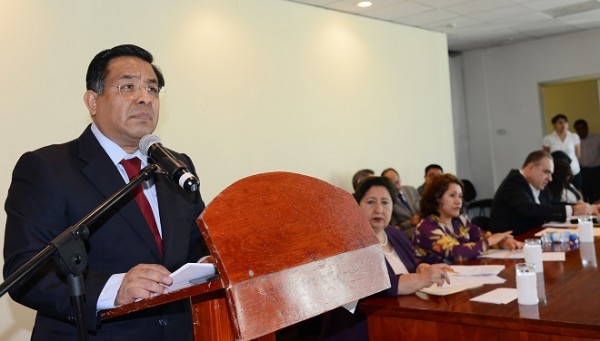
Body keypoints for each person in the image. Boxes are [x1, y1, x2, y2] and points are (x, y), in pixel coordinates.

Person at [3, 44, 207, 340]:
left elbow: (198, 244)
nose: (144, 98)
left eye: (152, 89)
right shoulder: (47, 168)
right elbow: (26, 272)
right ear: (92, 101)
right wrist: (114, 288)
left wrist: (208, 263)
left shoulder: (175, 166)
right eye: (128, 87)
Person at [321, 177, 450, 340]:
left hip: (401, 320)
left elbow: (410, 267)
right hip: (358, 329)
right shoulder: (346, 243)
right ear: (356, 206)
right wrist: (421, 278)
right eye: (370, 202)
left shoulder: (395, 234)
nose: (379, 209)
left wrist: (420, 268)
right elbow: (375, 284)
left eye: (385, 202)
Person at [413, 174, 522, 264]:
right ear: (436, 198)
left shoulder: (459, 221)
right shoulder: (426, 227)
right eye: (452, 195)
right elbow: (456, 253)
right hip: (436, 285)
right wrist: (491, 241)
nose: (458, 201)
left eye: (460, 196)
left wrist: (503, 242)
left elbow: (482, 237)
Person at [490, 150, 596, 236]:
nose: (550, 179)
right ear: (531, 167)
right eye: (546, 172)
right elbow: (530, 209)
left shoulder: (537, 183)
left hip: (533, 236)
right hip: (515, 242)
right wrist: (572, 210)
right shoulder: (514, 182)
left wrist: (581, 207)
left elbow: (551, 204)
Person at [542, 114, 581, 189]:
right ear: (554, 125)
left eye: (565, 122)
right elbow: (546, 156)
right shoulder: (548, 138)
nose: (563, 125)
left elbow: (578, 154)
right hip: (557, 172)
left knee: (576, 192)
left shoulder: (574, 136)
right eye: (560, 123)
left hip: (574, 170)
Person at [381, 168, 420, 240]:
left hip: (423, 224)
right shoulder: (386, 202)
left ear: (400, 180)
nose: (397, 187)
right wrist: (410, 222)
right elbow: (394, 227)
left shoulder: (411, 190)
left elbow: (423, 207)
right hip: (407, 231)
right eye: (392, 184)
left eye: (397, 182)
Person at [574, 119, 600, 202]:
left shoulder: (597, 138)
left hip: (596, 170)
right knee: (585, 192)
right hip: (582, 171)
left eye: (582, 128)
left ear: (587, 128)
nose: (580, 131)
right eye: (578, 129)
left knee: (597, 192)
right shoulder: (575, 141)